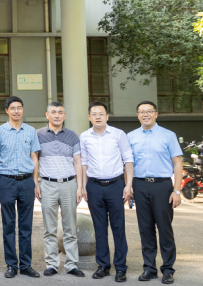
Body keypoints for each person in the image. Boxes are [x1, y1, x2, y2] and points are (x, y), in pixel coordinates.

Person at [127, 101, 183, 284]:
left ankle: (168, 269)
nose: (146, 114)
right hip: (140, 185)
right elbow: (128, 164)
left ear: (156, 114)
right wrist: (129, 187)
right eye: (142, 112)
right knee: (145, 229)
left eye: (149, 111)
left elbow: (177, 164)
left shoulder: (168, 135)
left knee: (165, 229)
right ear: (137, 115)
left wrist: (176, 190)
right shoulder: (130, 137)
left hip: (162, 186)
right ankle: (149, 268)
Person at [80, 102, 134, 283]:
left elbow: (128, 160)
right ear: (89, 117)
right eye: (94, 114)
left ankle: (121, 267)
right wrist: (84, 187)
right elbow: (84, 162)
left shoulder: (118, 134)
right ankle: (103, 265)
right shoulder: (84, 136)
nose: (98, 117)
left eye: (101, 114)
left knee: (118, 227)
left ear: (107, 116)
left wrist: (128, 186)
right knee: (99, 228)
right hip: (94, 186)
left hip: (116, 185)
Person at [0, 96, 41, 278]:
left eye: (19, 107)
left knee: (26, 225)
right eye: (12, 108)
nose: (16, 111)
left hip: (27, 181)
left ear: (22, 109)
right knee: (9, 224)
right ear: (7, 110)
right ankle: (11, 265)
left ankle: (26, 265)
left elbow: (34, 157)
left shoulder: (31, 131)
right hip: (6, 181)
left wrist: (35, 183)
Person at [36, 102, 85, 278]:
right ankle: (52, 264)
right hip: (47, 184)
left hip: (69, 184)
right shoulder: (38, 135)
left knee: (70, 227)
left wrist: (80, 186)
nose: (57, 115)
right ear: (47, 114)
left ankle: (71, 264)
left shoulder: (72, 136)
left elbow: (78, 162)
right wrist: (36, 184)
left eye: (60, 112)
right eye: (53, 112)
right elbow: (34, 160)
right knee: (49, 228)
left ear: (65, 115)